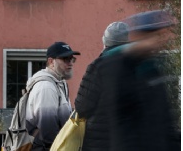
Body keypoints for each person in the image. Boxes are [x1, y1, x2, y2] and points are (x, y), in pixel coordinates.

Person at [100, 9, 180, 151]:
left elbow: (164, 121)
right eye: (151, 35)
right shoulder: (118, 68)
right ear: (138, 36)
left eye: (159, 35)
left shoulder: (153, 69)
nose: (156, 41)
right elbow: (122, 124)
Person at [73, 21, 129, 151]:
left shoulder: (98, 67)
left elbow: (82, 107)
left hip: (99, 143)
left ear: (105, 43)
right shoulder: (137, 66)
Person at [24, 41, 79, 151]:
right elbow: (48, 132)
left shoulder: (59, 83)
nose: (70, 63)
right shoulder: (46, 87)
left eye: (72, 59)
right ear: (51, 62)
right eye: (65, 59)